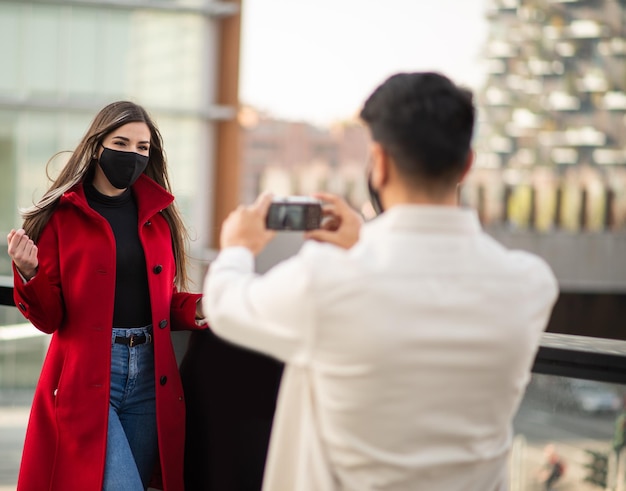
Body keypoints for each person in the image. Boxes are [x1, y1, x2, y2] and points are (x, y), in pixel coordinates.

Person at [202, 72, 559, 490]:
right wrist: (366, 239)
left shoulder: (326, 279)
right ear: (467, 164)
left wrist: (238, 246)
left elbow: (226, 304)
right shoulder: (529, 284)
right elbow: (423, 288)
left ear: (381, 164)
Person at [6, 101, 207, 491]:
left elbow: (161, 301)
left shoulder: (159, 215)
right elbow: (49, 318)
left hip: (152, 376)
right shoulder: (60, 215)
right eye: (122, 142)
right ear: (98, 146)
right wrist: (29, 272)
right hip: (88, 377)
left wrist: (197, 307)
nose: (133, 155)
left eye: (142, 147)